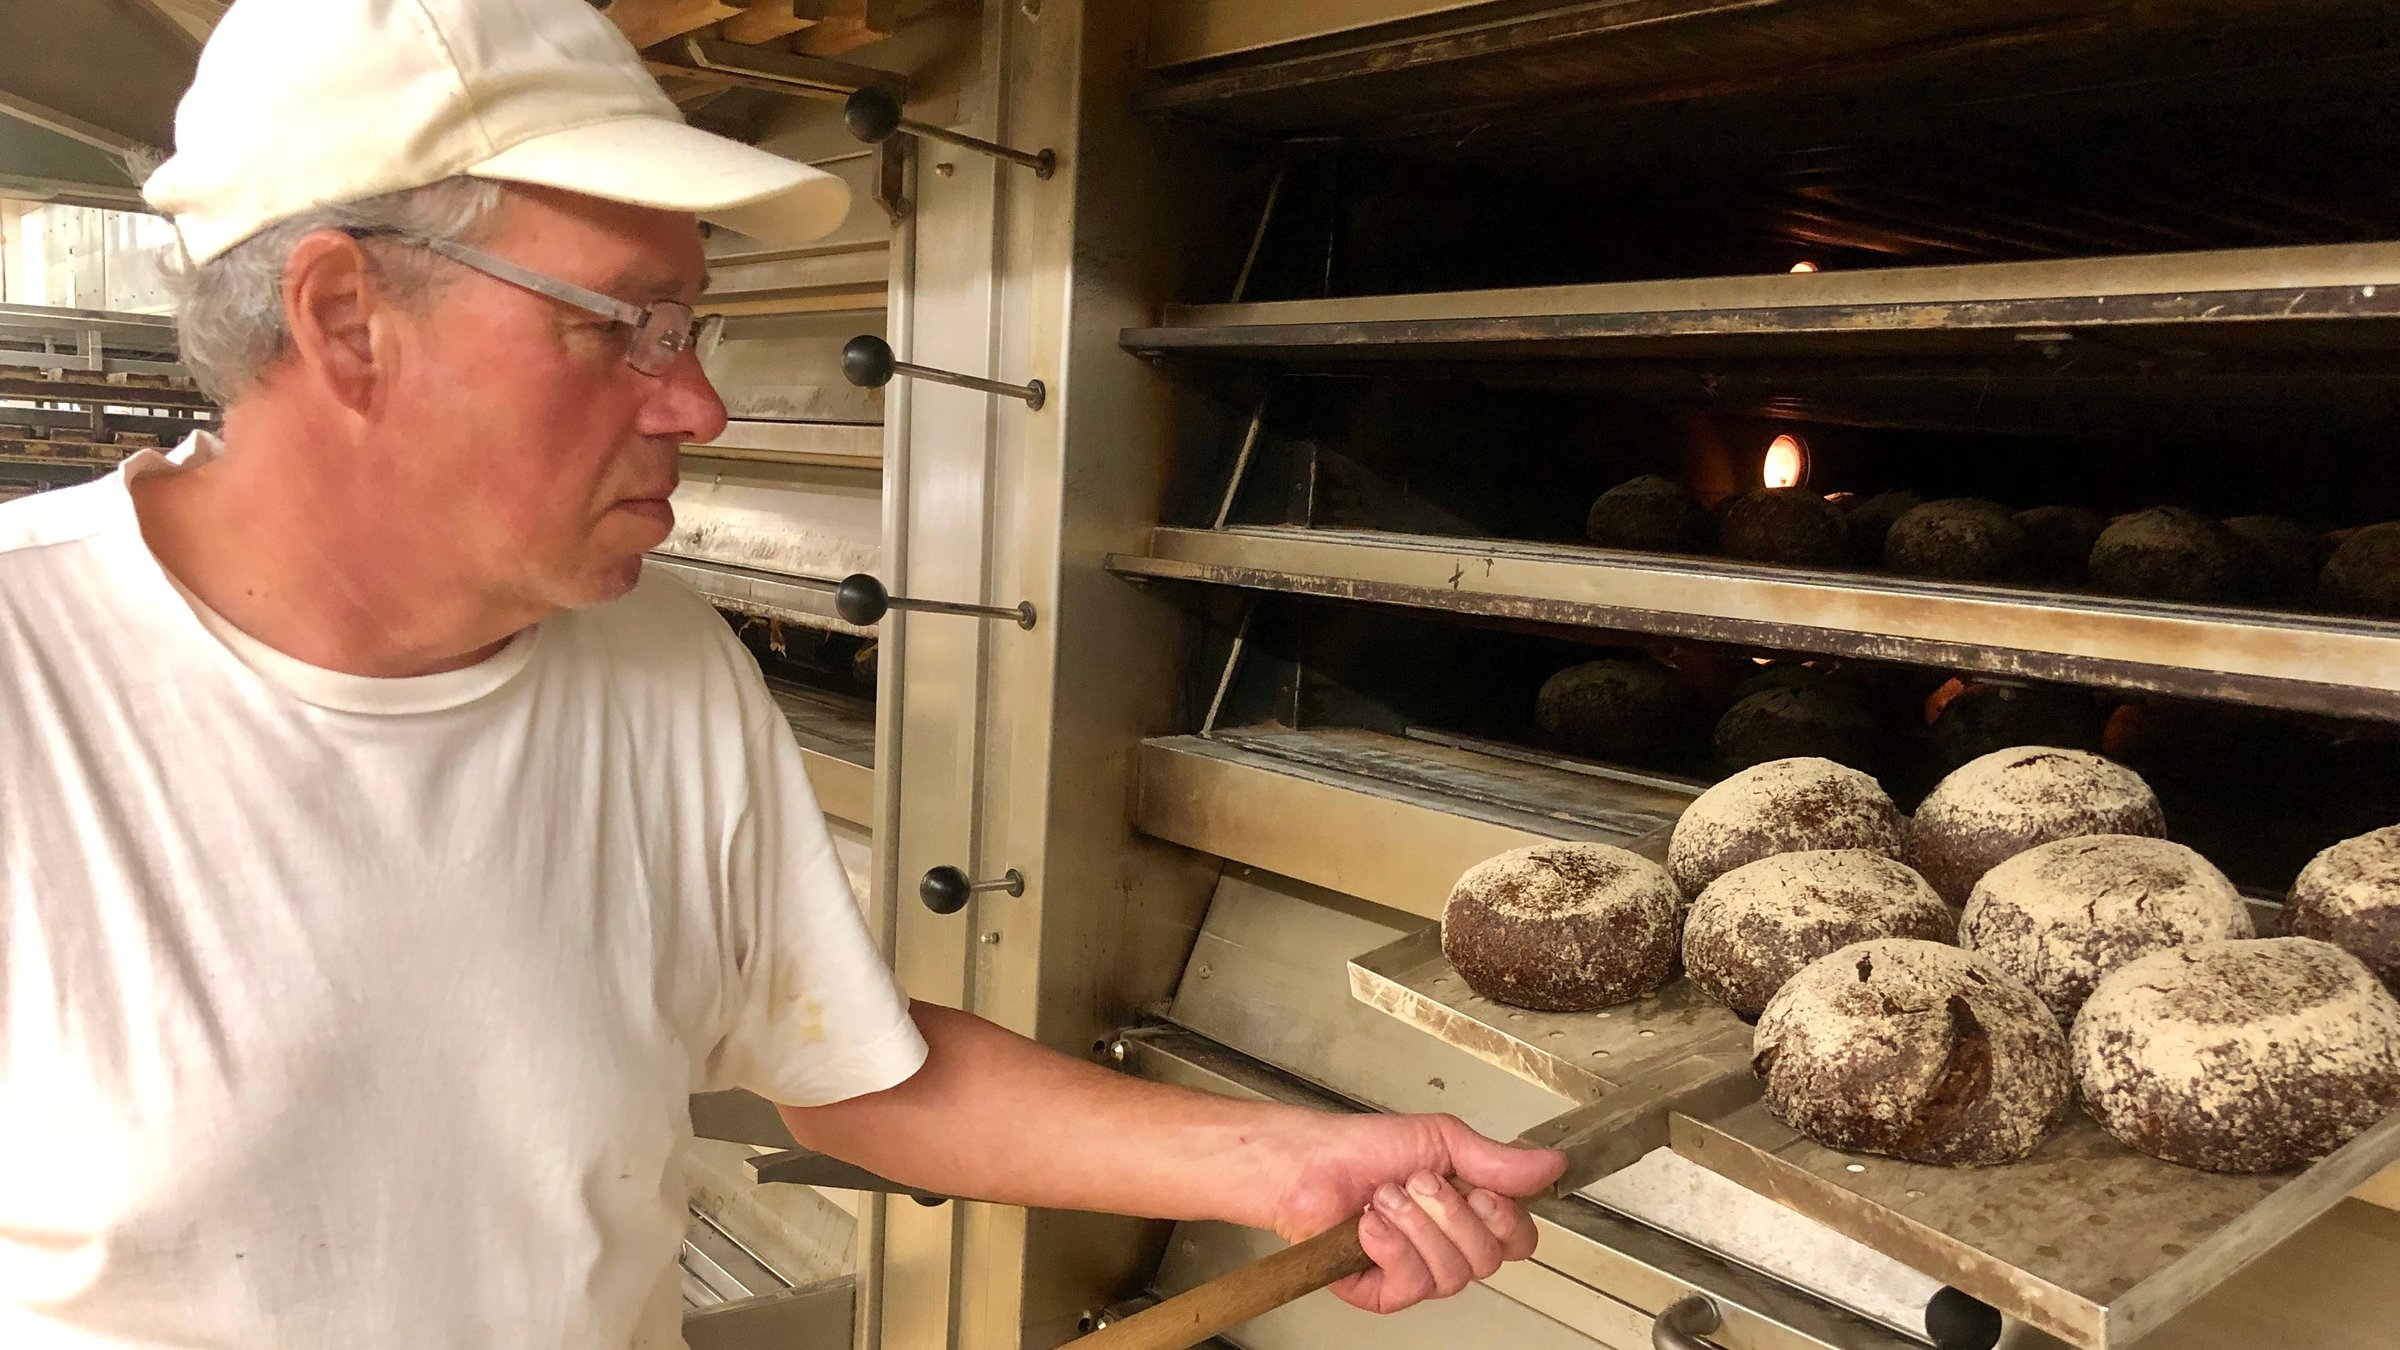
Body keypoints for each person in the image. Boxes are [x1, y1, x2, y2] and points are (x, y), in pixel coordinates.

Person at [0, 1, 1566, 1346]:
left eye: (696, 330)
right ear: (348, 318)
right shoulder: (32, 686)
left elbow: (852, 1073)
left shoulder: (658, 666)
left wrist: (1284, 1164)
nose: (700, 406)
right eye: (629, 328)